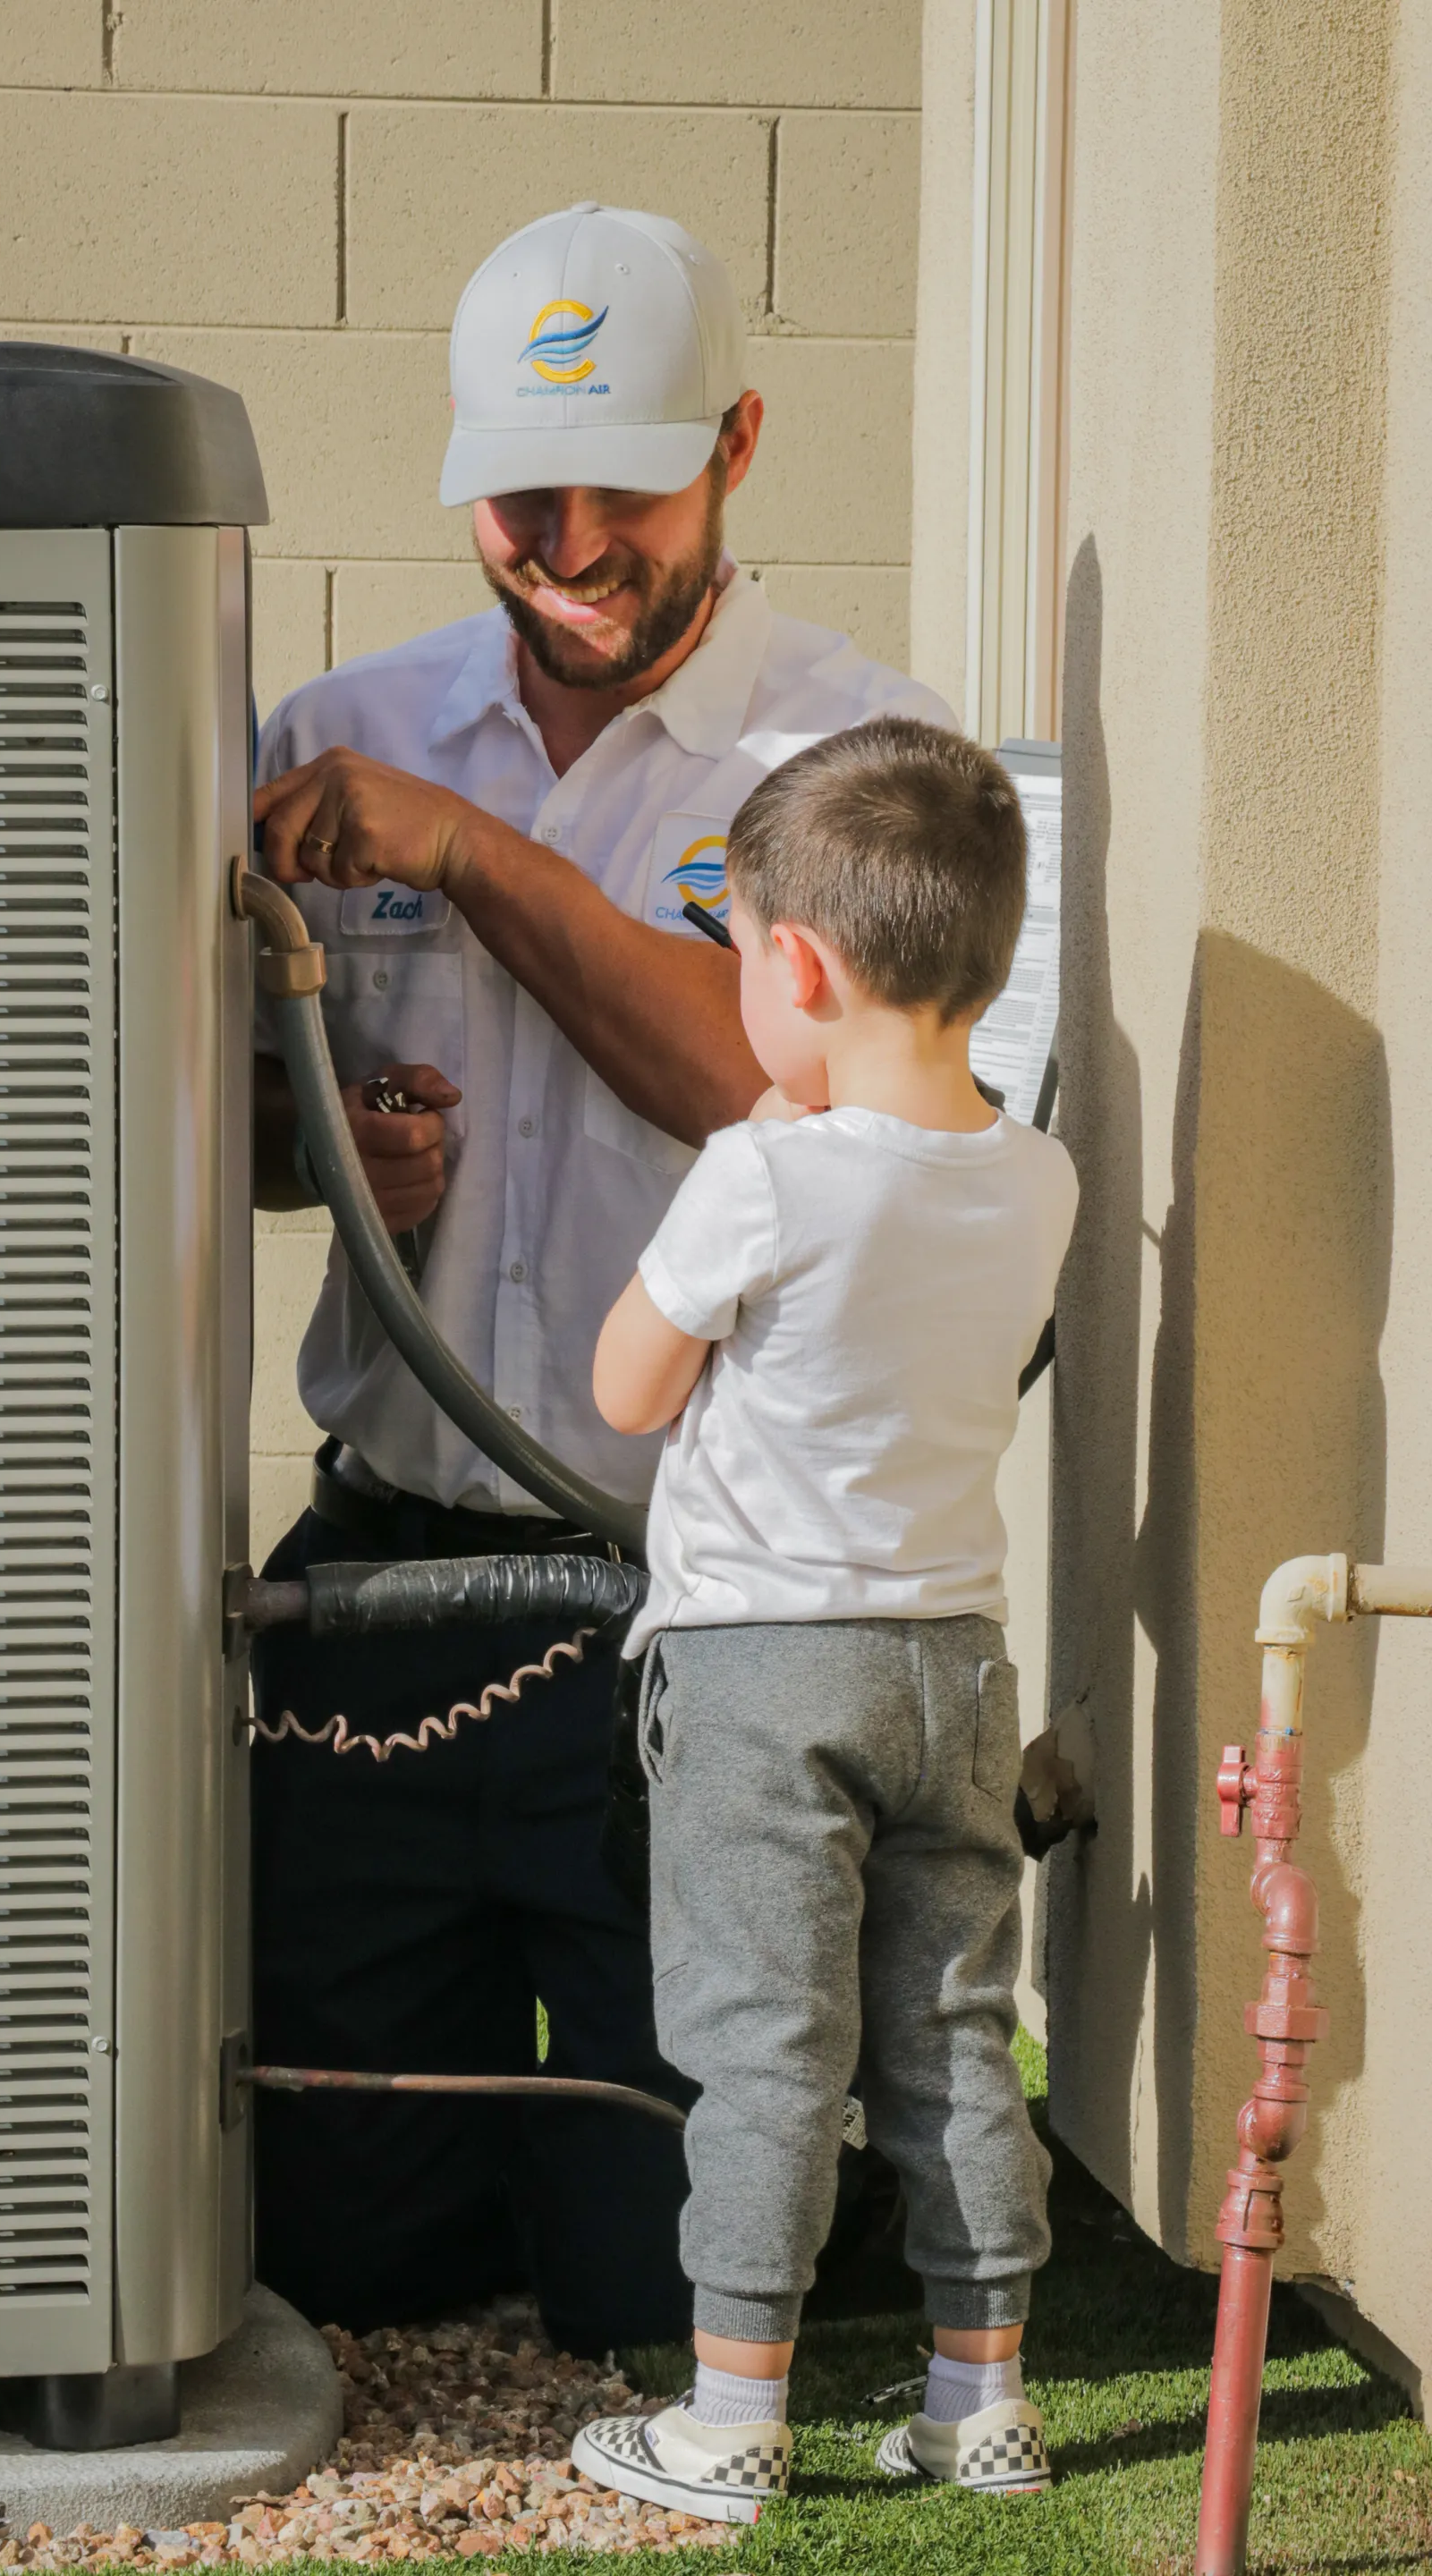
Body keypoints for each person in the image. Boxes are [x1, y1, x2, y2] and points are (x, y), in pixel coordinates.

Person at [248, 200, 954, 2358]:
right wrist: (334, 1148)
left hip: (691, 1604)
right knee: (341, 2248)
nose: (569, 537)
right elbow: (233, 1131)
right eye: (523, 490)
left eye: (623, 483)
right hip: (390, 1583)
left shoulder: (850, 763)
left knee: (658, 2271)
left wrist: (477, 857)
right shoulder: (339, 721)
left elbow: (768, 1093)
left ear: (736, 441)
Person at [575, 718, 1077, 2514]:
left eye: (743, 969)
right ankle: (981, 2399)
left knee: (765, 2042)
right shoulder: (1039, 1178)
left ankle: (730, 2417)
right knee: (952, 2031)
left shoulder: (762, 1174)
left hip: (766, 1671)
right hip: (954, 1660)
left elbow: (627, 1388)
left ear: (800, 964)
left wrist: (743, 1158)